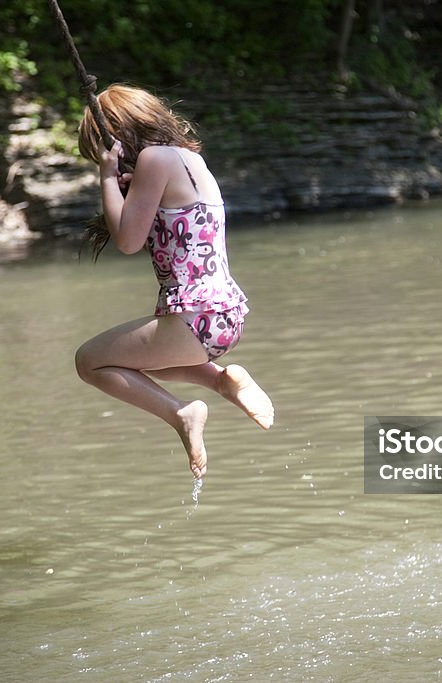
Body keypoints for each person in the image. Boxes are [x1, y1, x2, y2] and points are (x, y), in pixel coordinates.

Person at [74, 84, 274, 479]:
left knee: (89, 361)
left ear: (118, 138)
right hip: (225, 316)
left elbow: (128, 241)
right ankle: (223, 381)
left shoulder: (153, 159)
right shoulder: (189, 160)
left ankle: (182, 413)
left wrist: (106, 178)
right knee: (153, 367)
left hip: (194, 318)